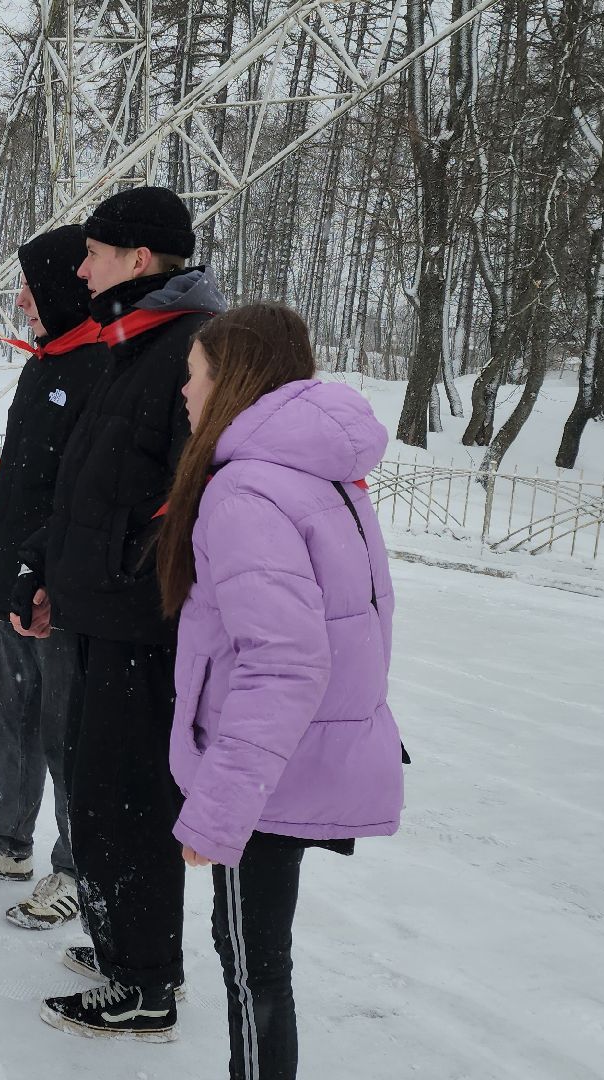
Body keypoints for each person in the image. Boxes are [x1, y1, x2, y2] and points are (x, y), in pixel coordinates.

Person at [159, 303, 404, 1078]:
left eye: (194, 376)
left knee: (253, 967)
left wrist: (221, 808)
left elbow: (284, 661)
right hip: (299, 753)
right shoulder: (319, 475)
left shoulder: (247, 491)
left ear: (230, 378)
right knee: (260, 959)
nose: (186, 394)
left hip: (266, 773)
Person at [12, 186, 227, 1040]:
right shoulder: (129, 345)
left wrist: (119, 585)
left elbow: (186, 505)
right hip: (96, 612)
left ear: (139, 261)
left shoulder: (188, 352)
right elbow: (92, 492)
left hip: (144, 629)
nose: (80, 265)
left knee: (127, 801)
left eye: (93, 251)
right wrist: (53, 577)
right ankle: (122, 949)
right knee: (97, 793)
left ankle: (145, 985)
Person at [0, 225, 110, 932]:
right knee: (16, 720)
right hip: (16, 580)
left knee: (67, 734)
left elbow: (80, 496)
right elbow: (27, 484)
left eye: (31, 286)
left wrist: (39, 565)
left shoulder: (102, 365)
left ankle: (76, 866)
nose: (20, 300)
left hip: (60, 589)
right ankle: (9, 842)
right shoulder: (46, 363)